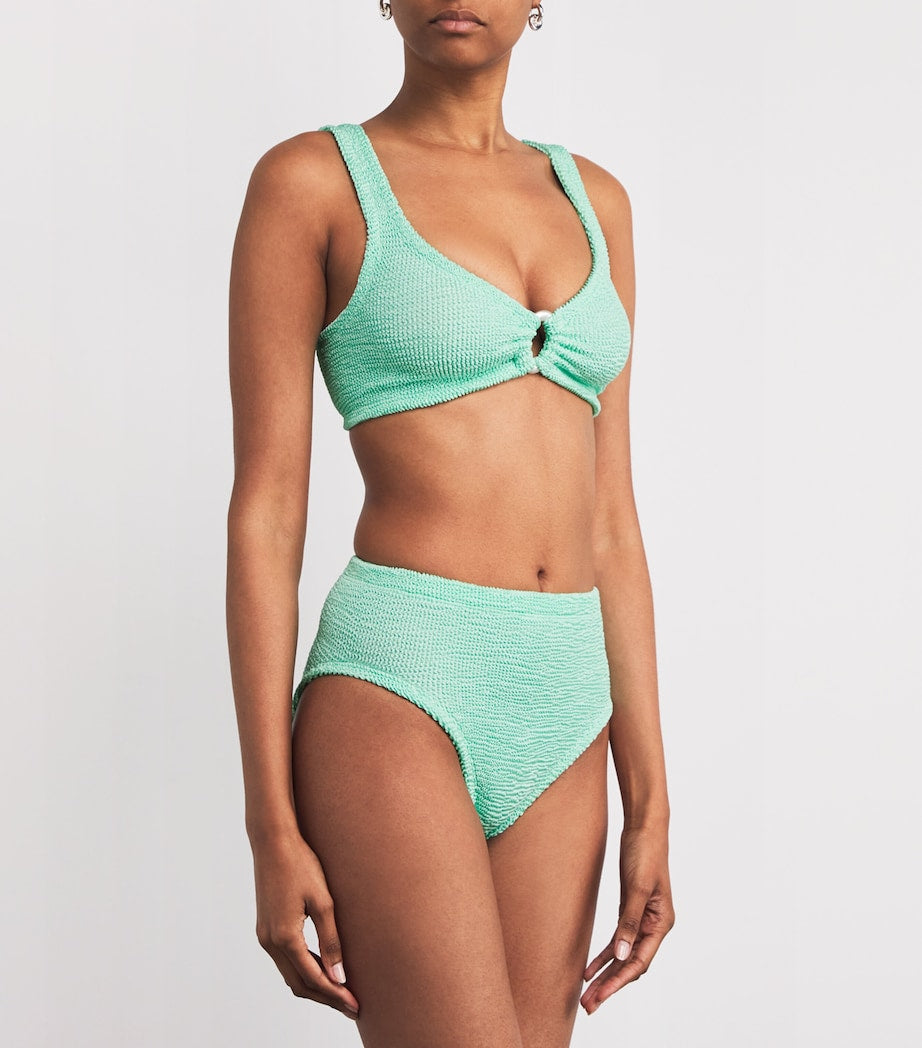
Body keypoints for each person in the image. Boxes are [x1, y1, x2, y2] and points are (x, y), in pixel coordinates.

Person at [226, 3, 674, 1044]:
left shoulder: (596, 201)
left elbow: (613, 522)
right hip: (401, 678)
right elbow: (268, 511)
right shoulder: (313, 182)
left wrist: (651, 799)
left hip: (566, 700)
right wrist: (267, 824)